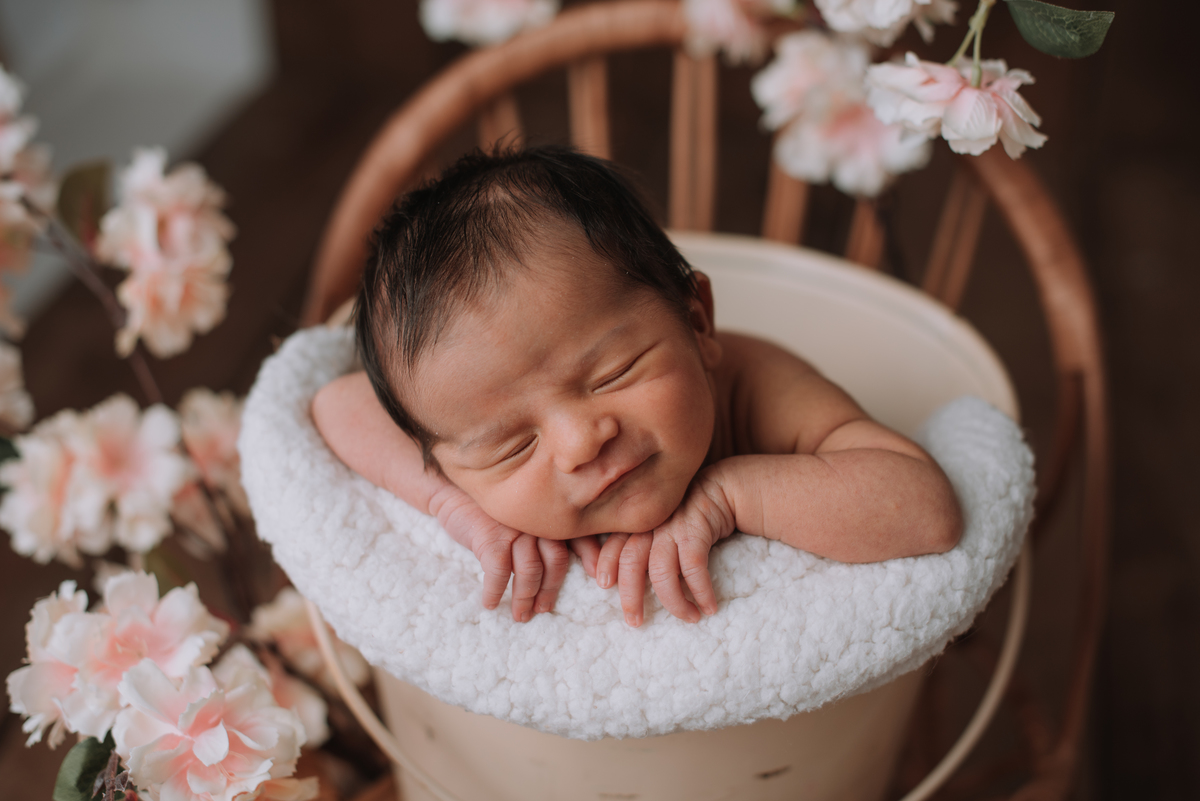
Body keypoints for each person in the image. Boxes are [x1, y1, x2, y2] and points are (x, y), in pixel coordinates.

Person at [311, 146, 963, 629]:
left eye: (611, 374)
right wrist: (456, 508)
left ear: (697, 320)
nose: (578, 444)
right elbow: (336, 404)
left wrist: (731, 495)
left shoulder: (756, 387)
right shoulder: (461, 442)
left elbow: (925, 506)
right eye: (511, 445)